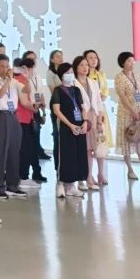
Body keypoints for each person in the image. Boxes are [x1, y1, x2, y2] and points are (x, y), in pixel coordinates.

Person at [50, 59, 89, 199]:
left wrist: (85, 122)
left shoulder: (76, 90)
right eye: (67, 72)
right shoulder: (58, 90)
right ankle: (61, 184)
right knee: (66, 155)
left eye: (72, 72)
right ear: (62, 75)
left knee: (77, 154)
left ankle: (71, 186)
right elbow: (57, 111)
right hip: (66, 127)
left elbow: (83, 108)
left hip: (79, 125)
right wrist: (70, 125)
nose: (70, 74)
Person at [114, 52, 140, 181]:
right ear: (122, 63)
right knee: (127, 141)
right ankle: (130, 170)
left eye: (133, 61)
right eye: (129, 61)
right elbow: (122, 97)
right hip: (126, 114)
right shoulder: (119, 77)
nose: (132, 63)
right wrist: (132, 111)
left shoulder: (137, 76)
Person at [0, 54, 25, 199]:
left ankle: (13, 184)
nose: (5, 69)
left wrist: (27, 77)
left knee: (14, 151)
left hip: (13, 115)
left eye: (7, 66)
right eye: (2, 66)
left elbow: (27, 90)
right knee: (0, 151)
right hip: (1, 115)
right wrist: (9, 80)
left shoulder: (14, 81)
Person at [14, 56, 45, 186]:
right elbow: (24, 102)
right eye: (32, 68)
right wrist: (35, 107)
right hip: (20, 119)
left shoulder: (25, 80)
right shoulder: (20, 81)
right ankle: (22, 177)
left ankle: (24, 176)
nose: (33, 71)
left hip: (28, 118)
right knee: (24, 149)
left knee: (28, 148)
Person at [83, 49, 109, 188]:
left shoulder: (101, 74)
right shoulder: (84, 77)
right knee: (89, 146)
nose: (93, 60)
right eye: (90, 58)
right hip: (88, 112)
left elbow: (105, 91)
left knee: (100, 143)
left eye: (95, 58)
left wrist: (100, 99)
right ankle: (89, 174)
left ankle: (101, 173)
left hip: (100, 110)